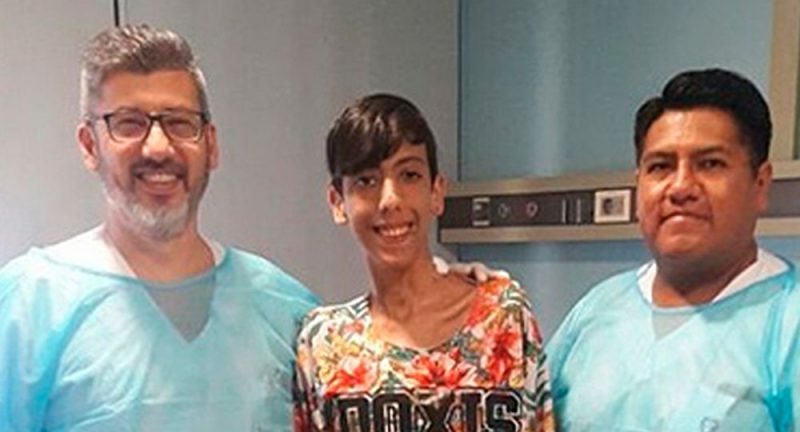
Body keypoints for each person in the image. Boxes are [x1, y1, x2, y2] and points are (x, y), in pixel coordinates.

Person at [0, 24, 320, 431]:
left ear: (211, 145)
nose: (157, 147)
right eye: (128, 123)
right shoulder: (26, 308)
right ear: (89, 145)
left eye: (180, 123)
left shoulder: (287, 310)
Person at [547, 68, 800, 430]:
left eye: (710, 164)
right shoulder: (596, 311)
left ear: (760, 184)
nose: (681, 187)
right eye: (660, 166)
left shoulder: (788, 322)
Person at [293, 93, 555, 431]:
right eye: (366, 180)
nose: (390, 200)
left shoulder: (501, 316)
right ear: (337, 202)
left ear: (436, 191)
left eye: (410, 175)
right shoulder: (324, 344)